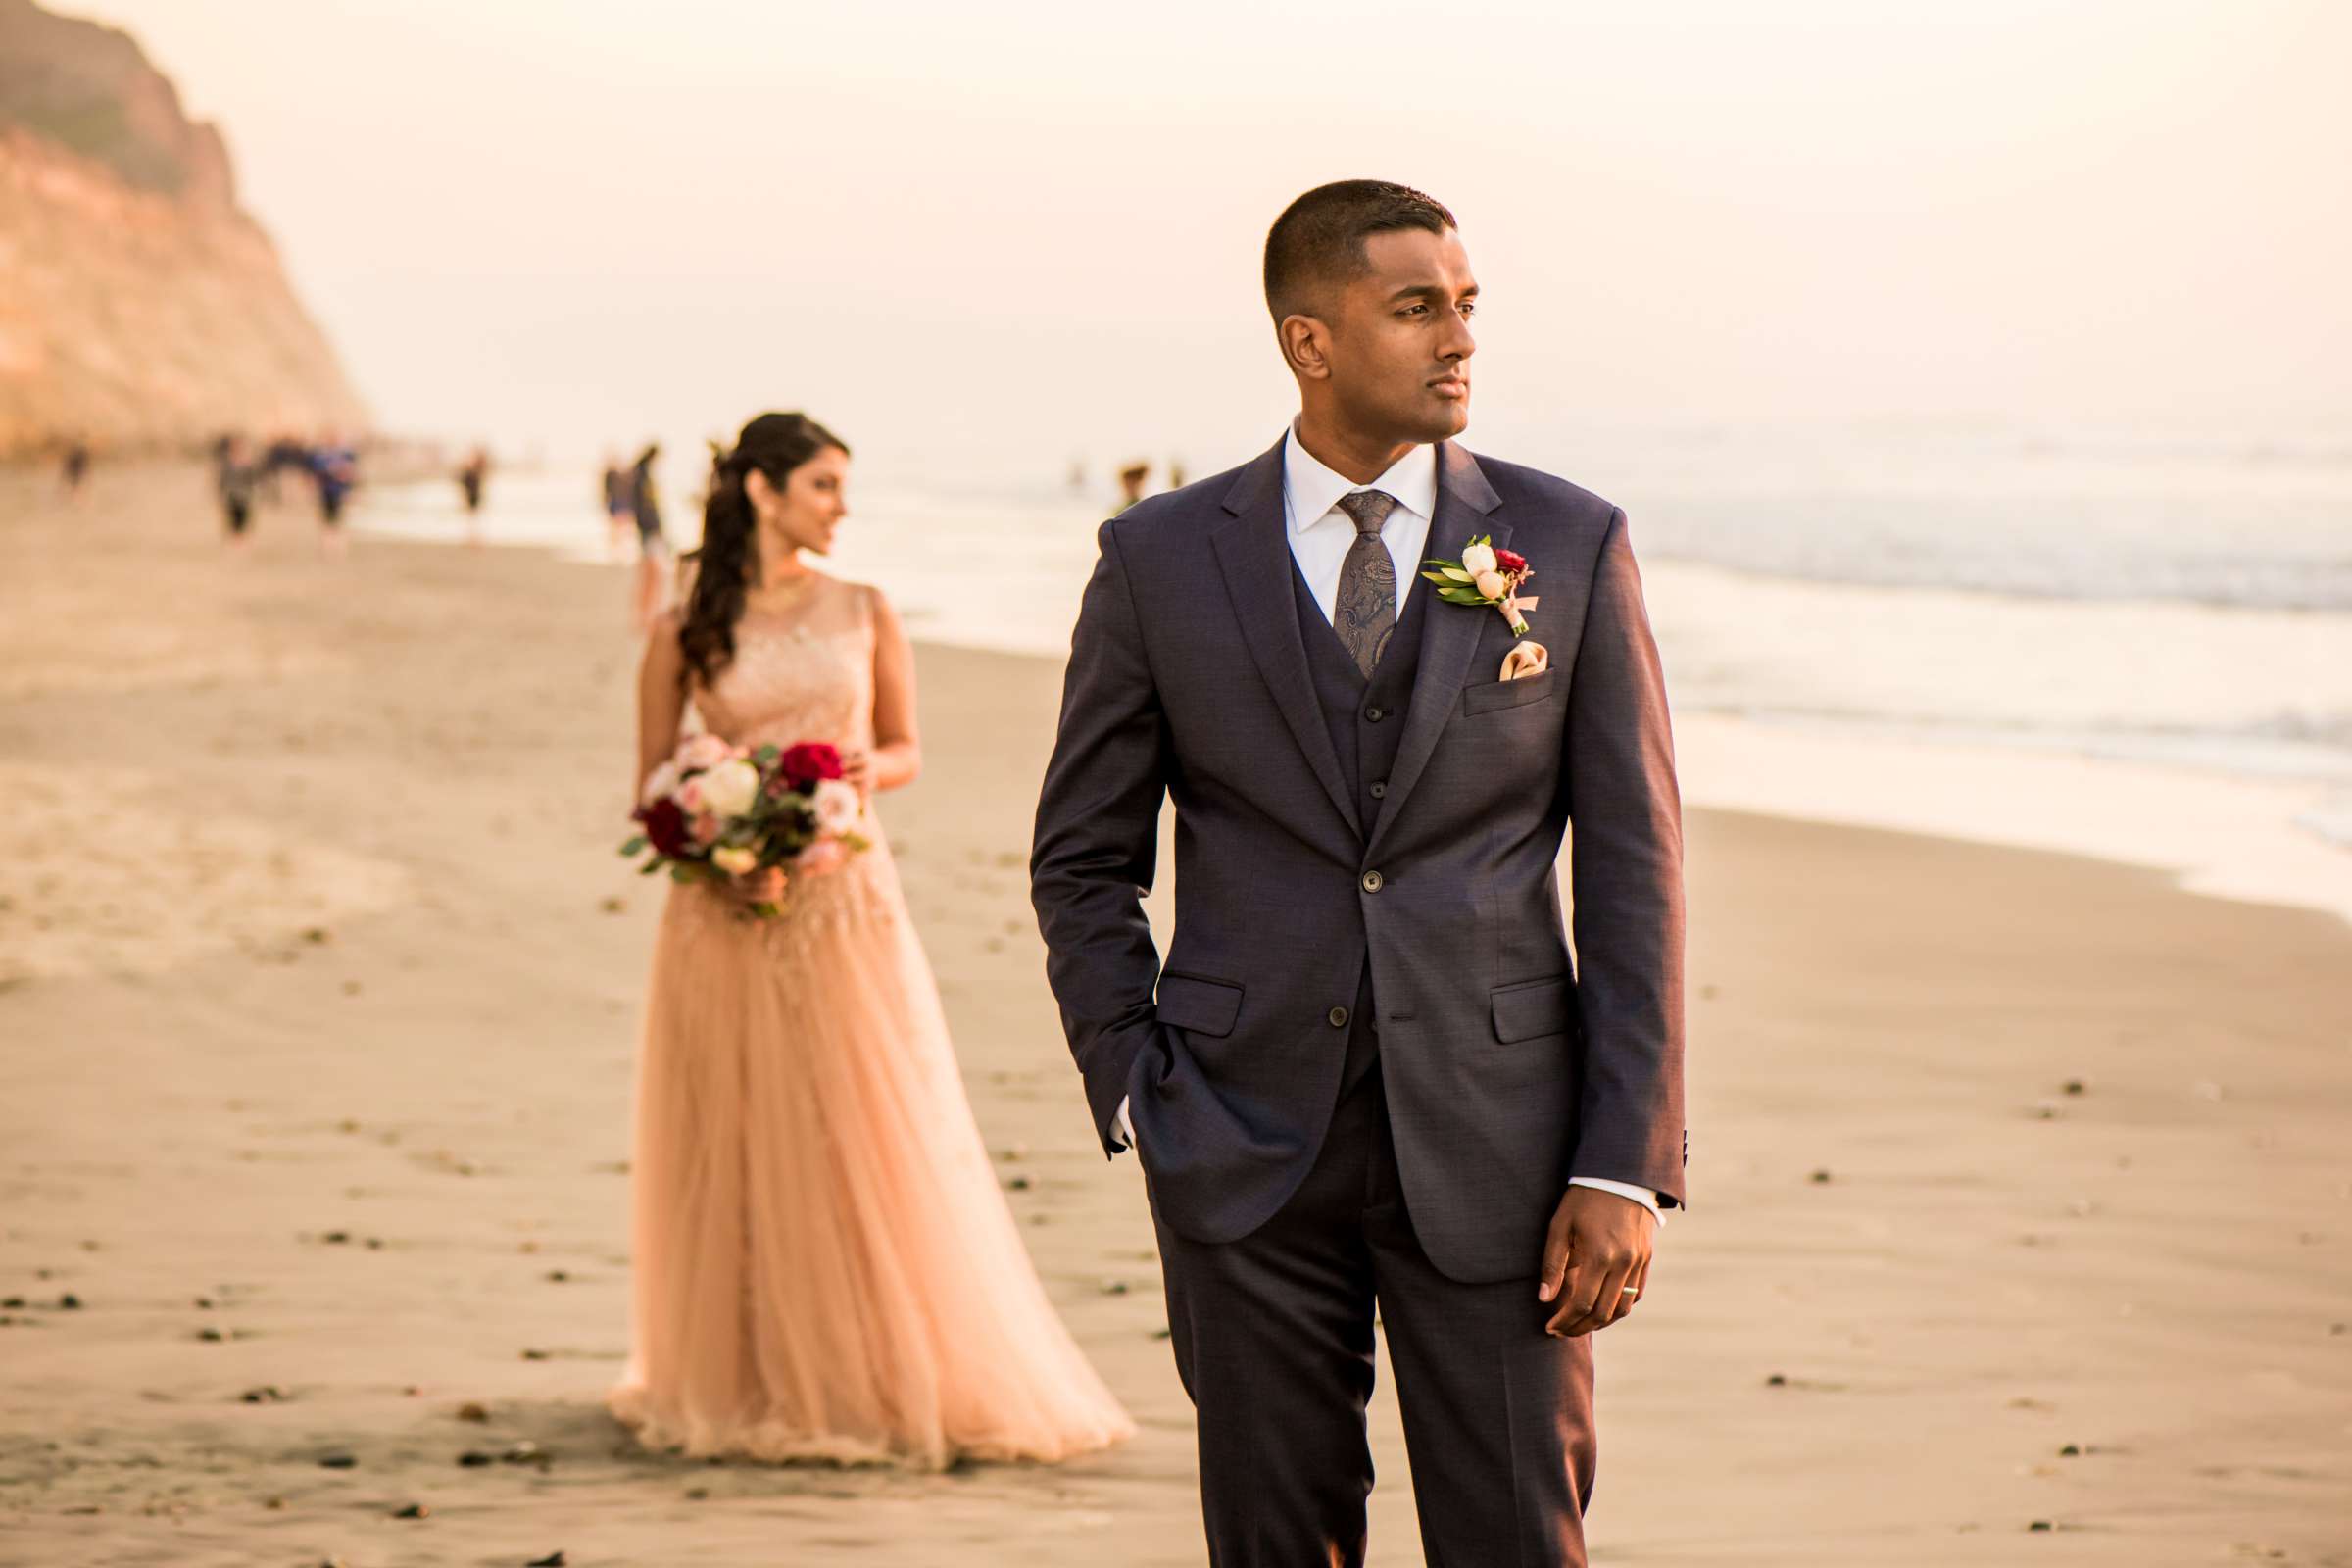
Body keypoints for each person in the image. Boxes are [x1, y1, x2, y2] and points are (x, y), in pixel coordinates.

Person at [1030, 181, 1687, 1565]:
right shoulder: (1158, 562)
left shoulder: (1567, 545)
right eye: (1415, 308)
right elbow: (1084, 860)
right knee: (1274, 1543)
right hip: (1238, 1137)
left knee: (1518, 1537)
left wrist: (1625, 1163)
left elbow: (1634, 873)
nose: (1458, 339)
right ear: (1308, 341)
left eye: (1465, 307)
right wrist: (1139, 1087)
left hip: (1503, 1147)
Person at [609, 411, 1134, 1470]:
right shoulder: (682, 628)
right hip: (722, 910)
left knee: (859, 1124)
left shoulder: (866, 607)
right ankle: (748, 1374)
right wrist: (716, 835)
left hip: (846, 897)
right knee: (739, 1129)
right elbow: (650, 788)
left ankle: (879, 1370)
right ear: (761, 490)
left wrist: (842, 778)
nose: (842, 506)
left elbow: (901, 750)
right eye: (823, 485)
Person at [627, 442, 669, 631]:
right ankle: (645, 615)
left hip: (649, 531)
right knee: (653, 575)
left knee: (652, 575)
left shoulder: (641, 475)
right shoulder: (641, 477)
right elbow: (645, 509)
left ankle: (645, 615)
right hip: (649, 531)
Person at [310, 431, 358, 555]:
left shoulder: (346, 455)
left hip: (339, 492)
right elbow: (316, 475)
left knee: (339, 520)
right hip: (326, 492)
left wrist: (350, 490)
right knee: (327, 521)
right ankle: (329, 547)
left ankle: (338, 547)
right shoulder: (321, 457)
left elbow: (351, 474)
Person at [217, 435, 260, 549]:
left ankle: (242, 541)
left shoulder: (248, 464)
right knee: (233, 518)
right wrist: (221, 493)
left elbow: (252, 479)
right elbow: (223, 479)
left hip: (244, 494)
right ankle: (234, 541)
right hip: (232, 494)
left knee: (244, 517)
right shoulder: (227, 463)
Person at [600, 449, 634, 561]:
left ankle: (620, 549)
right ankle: (616, 550)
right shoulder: (611, 474)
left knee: (621, 528)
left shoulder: (618, 474)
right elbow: (606, 490)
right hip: (616, 503)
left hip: (619, 503)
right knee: (617, 528)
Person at [457, 446, 490, 544]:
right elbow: (462, 482)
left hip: (474, 497)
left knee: (473, 519)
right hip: (471, 497)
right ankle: (472, 537)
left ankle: (473, 537)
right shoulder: (470, 473)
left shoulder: (475, 472)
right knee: (471, 519)